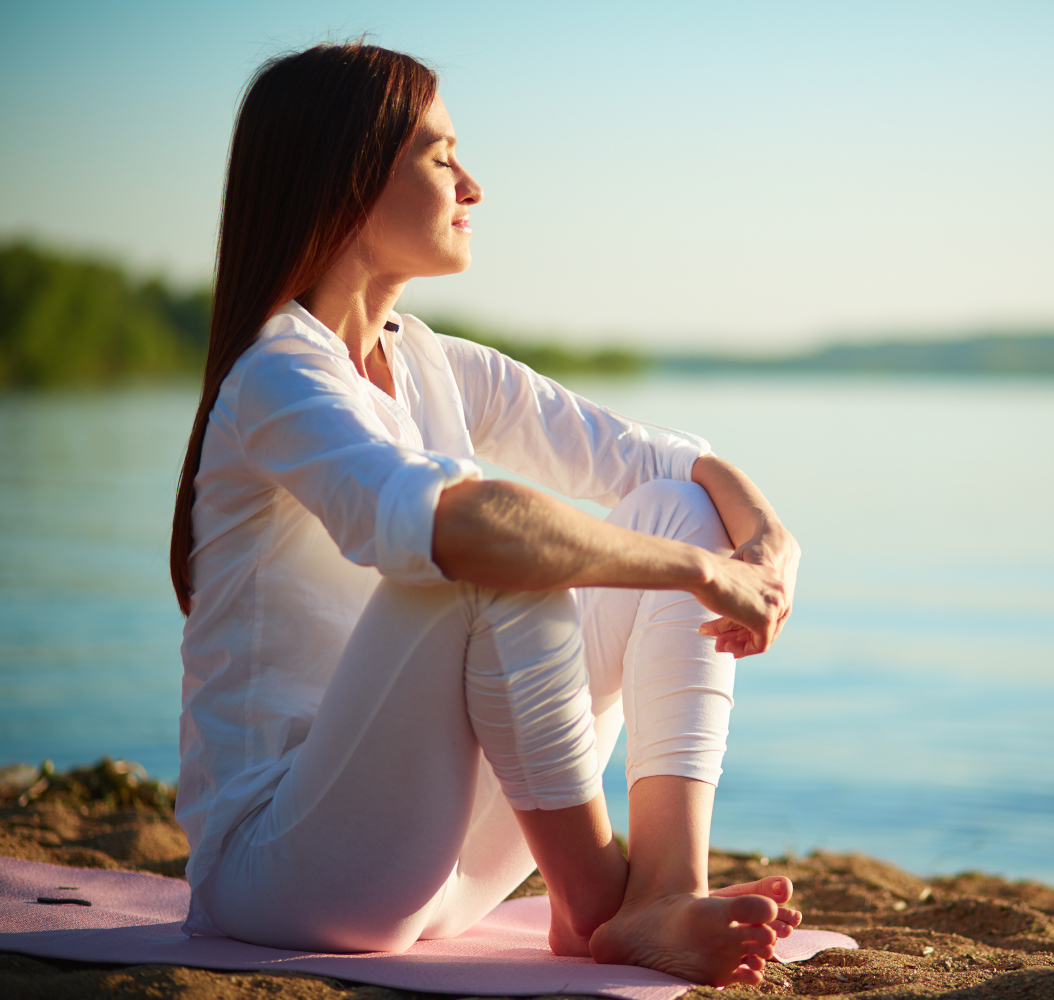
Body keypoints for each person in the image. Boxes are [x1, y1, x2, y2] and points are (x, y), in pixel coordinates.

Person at [169, 42, 801, 987]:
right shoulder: (278, 375)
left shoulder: (431, 361)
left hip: (447, 869)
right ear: (345, 182)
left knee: (671, 509)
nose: (472, 184)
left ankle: (661, 890)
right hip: (284, 872)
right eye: (439, 156)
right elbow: (460, 527)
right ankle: (595, 902)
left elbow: (672, 464)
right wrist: (702, 574)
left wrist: (765, 540)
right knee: (488, 553)